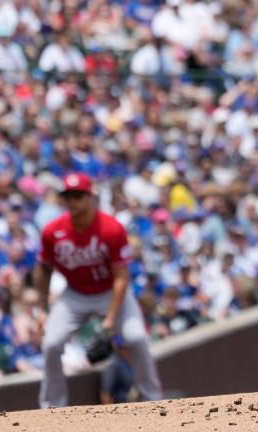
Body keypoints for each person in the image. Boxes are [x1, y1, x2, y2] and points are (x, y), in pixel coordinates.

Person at [34, 173, 162, 408]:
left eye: (78, 196)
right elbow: (43, 271)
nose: (72, 201)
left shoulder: (111, 229)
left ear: (90, 197)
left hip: (110, 292)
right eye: (68, 196)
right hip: (75, 294)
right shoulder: (53, 231)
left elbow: (121, 278)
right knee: (51, 343)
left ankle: (153, 399)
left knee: (136, 337)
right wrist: (43, 309)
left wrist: (111, 318)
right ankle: (51, 406)